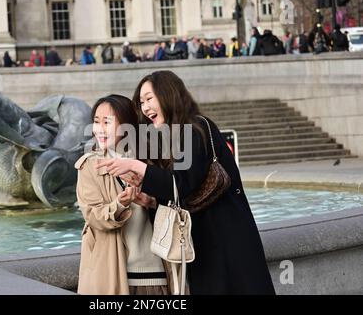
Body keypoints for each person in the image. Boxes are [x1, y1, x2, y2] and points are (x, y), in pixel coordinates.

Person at [97, 71, 276, 295]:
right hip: (206, 240)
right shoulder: (174, 135)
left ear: (168, 94)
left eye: (149, 99)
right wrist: (152, 202)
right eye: (141, 102)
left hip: (226, 237)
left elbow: (180, 183)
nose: (145, 108)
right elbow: (182, 191)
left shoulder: (193, 128)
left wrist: (136, 166)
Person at [76, 95, 169, 295]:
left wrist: (151, 202)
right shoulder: (90, 165)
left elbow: (175, 204)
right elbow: (92, 216)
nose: (99, 129)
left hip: (153, 273)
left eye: (107, 122)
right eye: (96, 122)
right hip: (111, 275)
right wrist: (119, 204)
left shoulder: (148, 163)